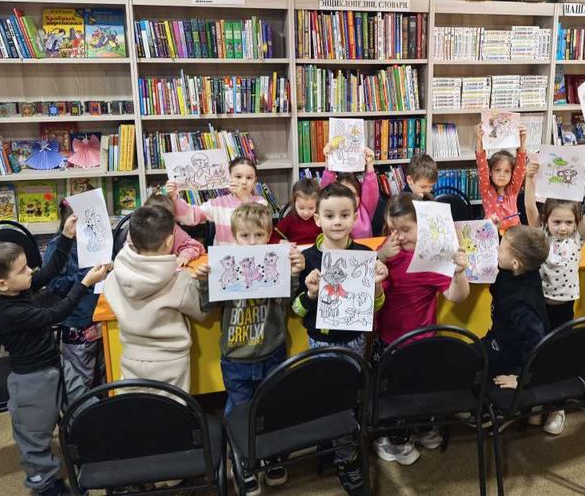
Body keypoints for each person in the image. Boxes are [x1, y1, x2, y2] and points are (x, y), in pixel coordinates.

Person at [0, 216, 108, 496]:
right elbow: (55, 313)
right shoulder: (7, 311)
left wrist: (66, 236)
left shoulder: (19, 285)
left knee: (85, 405)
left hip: (57, 364)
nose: (31, 272)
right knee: (33, 436)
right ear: (2, 284)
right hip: (32, 381)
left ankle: (91, 452)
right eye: (24, 269)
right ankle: (45, 484)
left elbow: (49, 271)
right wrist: (85, 283)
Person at [196, 203, 305, 494]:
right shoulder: (227, 264)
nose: (253, 242)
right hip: (236, 358)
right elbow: (207, 307)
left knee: (271, 406)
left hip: (272, 353)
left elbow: (287, 300)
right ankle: (244, 460)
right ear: (235, 237)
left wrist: (294, 273)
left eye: (259, 235)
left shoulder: (274, 261)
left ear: (269, 235)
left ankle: (272, 455)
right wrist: (205, 282)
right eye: (245, 236)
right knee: (239, 410)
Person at [293, 183, 388, 495]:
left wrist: (376, 284)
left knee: (348, 398)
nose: (337, 221)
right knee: (326, 398)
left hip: (355, 341)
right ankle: (337, 448)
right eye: (330, 215)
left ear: (355, 216)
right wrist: (310, 294)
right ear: (317, 218)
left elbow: (376, 305)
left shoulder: (364, 255)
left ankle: (346, 454)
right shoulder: (308, 258)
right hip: (320, 343)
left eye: (345, 215)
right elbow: (296, 309)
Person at [372, 192, 470, 466]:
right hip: (388, 339)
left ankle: (423, 427)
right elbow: (364, 283)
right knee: (391, 392)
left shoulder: (431, 256)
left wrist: (459, 272)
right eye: (392, 229)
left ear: (423, 226)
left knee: (421, 388)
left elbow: (456, 296)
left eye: (406, 229)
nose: (398, 236)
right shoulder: (388, 249)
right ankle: (395, 439)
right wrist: (380, 255)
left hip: (422, 340)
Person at [523, 162, 585, 434]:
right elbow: (530, 208)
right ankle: (537, 403)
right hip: (539, 306)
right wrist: (530, 178)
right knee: (538, 354)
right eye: (557, 222)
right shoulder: (541, 235)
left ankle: (556, 408)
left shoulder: (577, 238)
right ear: (547, 221)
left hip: (564, 309)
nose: (563, 228)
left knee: (559, 357)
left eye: (569, 222)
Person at [103, 205, 206, 392]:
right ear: (170, 241)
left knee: (135, 407)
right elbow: (202, 312)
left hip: (131, 359)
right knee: (171, 408)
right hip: (172, 364)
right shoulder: (178, 281)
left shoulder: (115, 277)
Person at [43, 200, 105, 390]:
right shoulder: (58, 247)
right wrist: (85, 278)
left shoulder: (98, 241)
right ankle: (83, 407)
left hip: (100, 315)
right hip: (77, 320)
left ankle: (101, 403)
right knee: (81, 375)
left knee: (103, 368)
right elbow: (54, 284)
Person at [487, 226, 551, 399]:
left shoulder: (522, 306)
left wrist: (521, 378)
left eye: (500, 249)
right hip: (499, 338)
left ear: (515, 263)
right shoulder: (522, 270)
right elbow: (507, 255)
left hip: (510, 355)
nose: (497, 250)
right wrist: (491, 230)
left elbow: (536, 340)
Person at [166, 156, 267, 245]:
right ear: (228, 178)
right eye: (238, 177)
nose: (244, 181)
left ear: (255, 181)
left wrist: (242, 197)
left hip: (251, 255)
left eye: (249, 178)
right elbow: (190, 217)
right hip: (224, 256)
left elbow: (256, 221)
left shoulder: (261, 203)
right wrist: (174, 197)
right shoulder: (217, 203)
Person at [320, 143, 379, 239]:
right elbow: (326, 192)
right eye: (343, 193)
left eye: (353, 194)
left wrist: (369, 163)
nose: (349, 198)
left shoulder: (364, 209)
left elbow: (371, 190)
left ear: (360, 197)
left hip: (362, 247)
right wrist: (330, 161)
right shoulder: (331, 208)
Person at [475, 123, 527, 231]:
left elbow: (520, 170)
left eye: (507, 171)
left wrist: (522, 143)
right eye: (498, 170)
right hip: (492, 234)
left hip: (513, 235)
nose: (502, 175)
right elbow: (482, 169)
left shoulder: (513, 190)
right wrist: (479, 142)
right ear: (490, 172)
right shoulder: (486, 190)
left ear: (512, 174)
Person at [143, 192, 205, 267]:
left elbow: (195, 247)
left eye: (164, 220)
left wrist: (184, 256)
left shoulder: (175, 231)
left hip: (168, 268)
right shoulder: (139, 229)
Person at [271, 178, 320, 244]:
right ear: (294, 202)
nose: (306, 213)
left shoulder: (320, 219)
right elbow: (270, 239)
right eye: (301, 208)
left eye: (311, 208)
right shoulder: (289, 220)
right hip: (295, 250)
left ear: (317, 204)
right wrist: (280, 242)